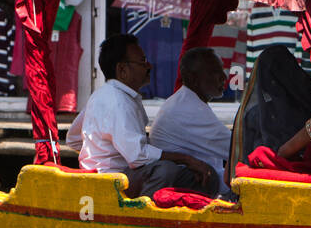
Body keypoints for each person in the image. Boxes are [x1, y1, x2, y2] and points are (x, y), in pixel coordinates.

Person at [66, 34, 219, 199]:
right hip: (111, 179)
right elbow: (137, 156)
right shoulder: (117, 101)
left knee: (205, 176)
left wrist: (98, 149)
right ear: (122, 70)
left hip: (126, 174)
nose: (149, 66)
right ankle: (140, 214)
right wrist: (186, 159)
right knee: (164, 170)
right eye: (142, 61)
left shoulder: (102, 95)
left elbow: (73, 138)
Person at [150, 47, 233, 196]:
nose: (223, 77)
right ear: (194, 79)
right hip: (192, 188)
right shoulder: (187, 109)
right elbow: (236, 149)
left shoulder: (189, 101)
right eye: (215, 71)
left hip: (207, 182)